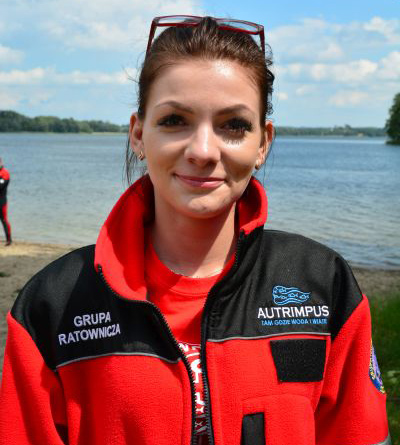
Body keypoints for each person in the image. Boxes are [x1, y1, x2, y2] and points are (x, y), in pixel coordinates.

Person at [0, 15, 391, 445]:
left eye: (234, 125)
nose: (203, 151)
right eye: (174, 120)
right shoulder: (52, 306)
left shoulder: (323, 286)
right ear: (138, 134)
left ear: (263, 142)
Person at [0, 158, 11, 246]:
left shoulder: (5, 173)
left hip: (2, 201)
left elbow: (1, 186)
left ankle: (9, 239)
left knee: (4, 220)